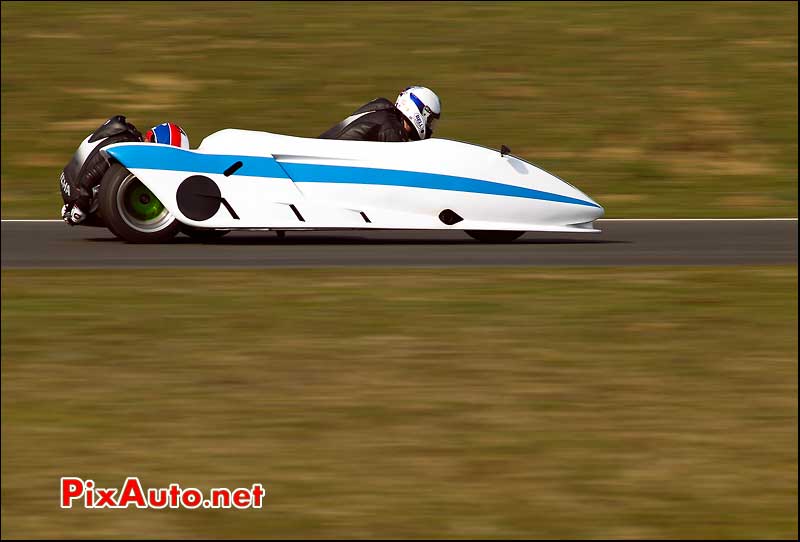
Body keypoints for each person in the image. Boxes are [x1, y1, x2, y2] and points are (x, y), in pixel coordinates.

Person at [60, 118, 189, 225]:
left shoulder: (130, 142)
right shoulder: (130, 148)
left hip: (79, 189)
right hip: (83, 192)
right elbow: (98, 170)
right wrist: (81, 202)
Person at [319, 86, 441, 142]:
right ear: (419, 113)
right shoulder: (392, 133)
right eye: (429, 121)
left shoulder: (382, 108)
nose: (429, 127)